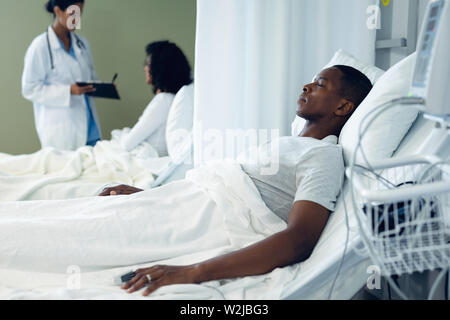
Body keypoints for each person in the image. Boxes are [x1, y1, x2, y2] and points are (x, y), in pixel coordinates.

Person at [97, 65, 373, 296]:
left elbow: (299, 239)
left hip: (192, 224)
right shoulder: (287, 144)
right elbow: (222, 186)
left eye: (320, 84)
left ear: (343, 106)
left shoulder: (323, 156)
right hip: (175, 205)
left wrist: (193, 272)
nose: (306, 86)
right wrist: (151, 195)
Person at [22, 0, 101, 151]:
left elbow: (91, 76)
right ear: (58, 11)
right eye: (73, 14)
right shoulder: (40, 46)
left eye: (79, 15)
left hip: (90, 126)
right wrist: (68, 91)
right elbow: (30, 88)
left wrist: (103, 87)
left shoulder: (82, 44)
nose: (76, 20)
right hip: (61, 130)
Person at [120, 41, 193, 157]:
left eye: (148, 64)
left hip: (150, 160)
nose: (145, 68)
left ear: (159, 69)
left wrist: (124, 132)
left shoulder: (163, 100)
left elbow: (127, 144)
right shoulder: (180, 97)